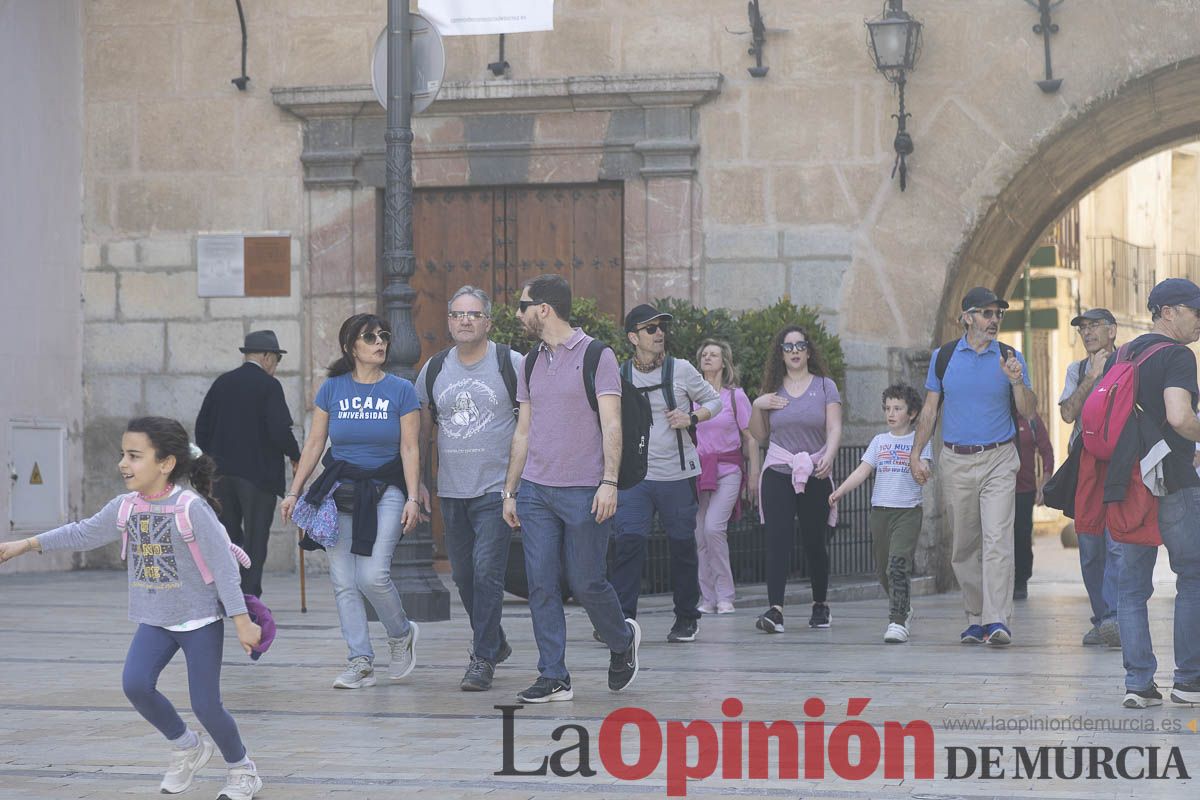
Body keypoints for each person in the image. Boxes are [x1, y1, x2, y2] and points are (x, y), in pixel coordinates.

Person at [0, 417, 265, 799]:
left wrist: (241, 622)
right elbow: (82, 532)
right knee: (136, 684)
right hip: (155, 619)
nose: (123, 463)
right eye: (122, 454)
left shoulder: (191, 508)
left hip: (199, 620)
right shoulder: (126, 507)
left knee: (206, 704)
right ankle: (188, 747)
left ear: (166, 462)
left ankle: (242, 770)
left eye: (134, 456)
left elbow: (224, 568)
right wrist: (24, 545)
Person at [502, 274, 641, 703]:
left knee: (586, 582)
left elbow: (612, 423)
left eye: (523, 305)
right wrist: (510, 490)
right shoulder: (529, 361)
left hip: (585, 490)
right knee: (541, 584)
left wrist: (609, 482)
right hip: (536, 491)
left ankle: (621, 641)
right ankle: (554, 675)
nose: (518, 313)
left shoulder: (597, 355)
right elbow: (523, 431)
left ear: (544, 309)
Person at [280, 314, 422, 690]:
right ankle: (360, 660)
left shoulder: (401, 390)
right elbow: (314, 444)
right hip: (340, 492)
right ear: (351, 347)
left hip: (386, 489)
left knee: (373, 576)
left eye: (384, 336)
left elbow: (410, 447)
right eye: (370, 337)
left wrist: (412, 496)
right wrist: (295, 491)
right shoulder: (332, 389)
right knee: (344, 580)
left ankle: (401, 633)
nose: (380, 342)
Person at [911, 286, 1036, 647]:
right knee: (965, 544)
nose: (993, 320)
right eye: (986, 313)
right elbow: (931, 409)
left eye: (998, 314)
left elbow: (1028, 410)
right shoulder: (944, 357)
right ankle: (976, 616)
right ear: (966, 317)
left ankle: (997, 619)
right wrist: (916, 452)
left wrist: (1016, 381)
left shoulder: (1011, 357)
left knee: (998, 539)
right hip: (955, 460)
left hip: (999, 457)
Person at [1100, 279, 1200, 709]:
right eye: (1195, 311)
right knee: (1192, 576)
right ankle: (1188, 681)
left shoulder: (1119, 356)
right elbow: (1179, 414)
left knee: (1131, 588)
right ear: (1169, 311)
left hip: (1127, 481)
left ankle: (1138, 683)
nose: (1199, 321)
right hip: (1173, 479)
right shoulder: (1178, 356)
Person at [416, 286, 522, 691]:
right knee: (462, 575)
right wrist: (421, 485)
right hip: (453, 490)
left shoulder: (510, 362)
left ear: (488, 322)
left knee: (487, 572)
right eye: (458, 314)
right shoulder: (435, 367)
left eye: (473, 314)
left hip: (497, 489)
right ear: (448, 322)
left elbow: (531, 424)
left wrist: (520, 485)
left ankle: (481, 659)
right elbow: (424, 433)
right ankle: (494, 639)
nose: (465, 320)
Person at [609, 304, 722, 643]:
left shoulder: (682, 369)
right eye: (650, 329)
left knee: (682, 546)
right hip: (635, 477)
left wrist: (693, 418)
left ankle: (687, 617)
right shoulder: (619, 374)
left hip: (677, 473)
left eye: (661, 328)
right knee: (627, 544)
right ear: (633, 337)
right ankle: (622, 620)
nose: (659, 333)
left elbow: (715, 401)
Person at [749, 324, 843, 633]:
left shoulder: (826, 385)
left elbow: (833, 427)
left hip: (815, 469)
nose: (794, 351)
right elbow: (760, 435)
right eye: (788, 347)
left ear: (808, 350)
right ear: (780, 353)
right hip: (778, 470)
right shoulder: (772, 391)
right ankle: (775, 610)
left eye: (799, 345)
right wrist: (756, 405)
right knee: (777, 540)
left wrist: (829, 455)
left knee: (815, 542)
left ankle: (820, 604)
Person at [195, 330, 301, 598]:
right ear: (266, 357)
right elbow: (280, 429)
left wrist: (213, 460)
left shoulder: (223, 383)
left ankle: (229, 592)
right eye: (276, 360)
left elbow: (202, 427)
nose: (275, 367)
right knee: (255, 538)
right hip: (258, 477)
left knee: (227, 537)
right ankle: (250, 595)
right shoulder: (268, 386)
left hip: (220, 476)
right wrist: (296, 455)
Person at [829, 384, 931, 643]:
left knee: (898, 564)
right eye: (888, 408)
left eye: (898, 408)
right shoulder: (879, 441)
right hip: (880, 513)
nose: (891, 413)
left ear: (912, 413)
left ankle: (897, 621)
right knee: (884, 571)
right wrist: (840, 491)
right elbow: (862, 471)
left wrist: (923, 470)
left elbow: (924, 468)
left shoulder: (919, 440)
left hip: (907, 512)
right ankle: (905, 606)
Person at [1058, 307, 1122, 647]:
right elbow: (1068, 413)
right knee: (1089, 546)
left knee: (1116, 543)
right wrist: (1091, 379)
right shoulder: (1077, 370)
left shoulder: (1128, 365)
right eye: (1083, 327)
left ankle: (1114, 616)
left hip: (1120, 464)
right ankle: (1102, 617)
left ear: (1112, 331)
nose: (1087, 332)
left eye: (1095, 325)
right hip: (1084, 464)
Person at [694, 339, 760, 615]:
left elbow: (751, 437)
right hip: (698, 471)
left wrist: (754, 474)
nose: (708, 358)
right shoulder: (691, 397)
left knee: (713, 528)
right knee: (699, 534)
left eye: (714, 355)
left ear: (724, 363)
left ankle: (725, 595)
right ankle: (707, 598)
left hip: (729, 470)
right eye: (704, 354)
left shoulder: (736, 396)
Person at [1012, 413, 1053, 600]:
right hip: (998, 489)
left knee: (1022, 534)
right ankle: (1002, 581)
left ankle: (1021, 580)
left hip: (1024, 490)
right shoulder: (998, 413)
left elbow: (1047, 451)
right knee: (998, 536)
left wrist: (1044, 484)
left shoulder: (1031, 420)